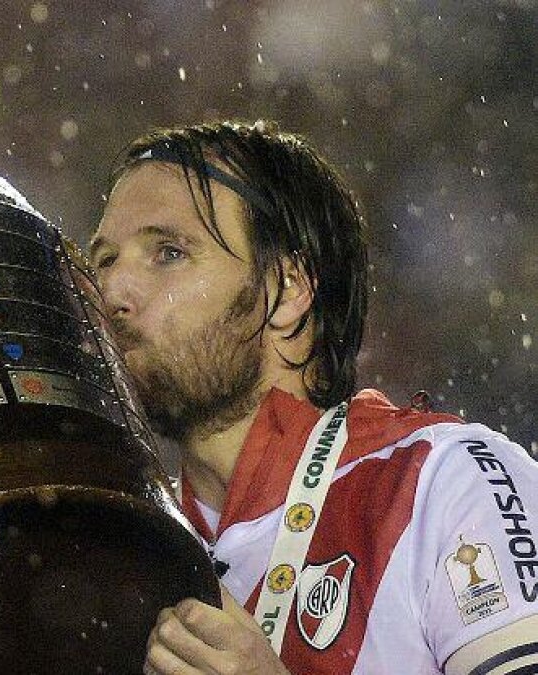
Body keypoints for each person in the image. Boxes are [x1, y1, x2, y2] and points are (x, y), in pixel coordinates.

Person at [88, 120, 538, 674]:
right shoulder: (118, 548)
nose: (112, 292)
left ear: (289, 292)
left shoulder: (439, 482)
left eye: (169, 253)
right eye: (104, 260)